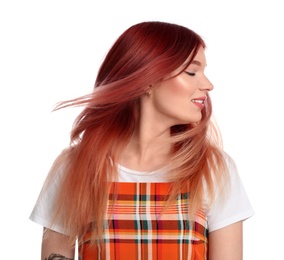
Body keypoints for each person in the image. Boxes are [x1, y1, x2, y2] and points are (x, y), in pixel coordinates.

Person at [30, 21, 254, 260]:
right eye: (191, 72)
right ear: (147, 79)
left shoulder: (214, 169)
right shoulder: (76, 167)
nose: (208, 84)